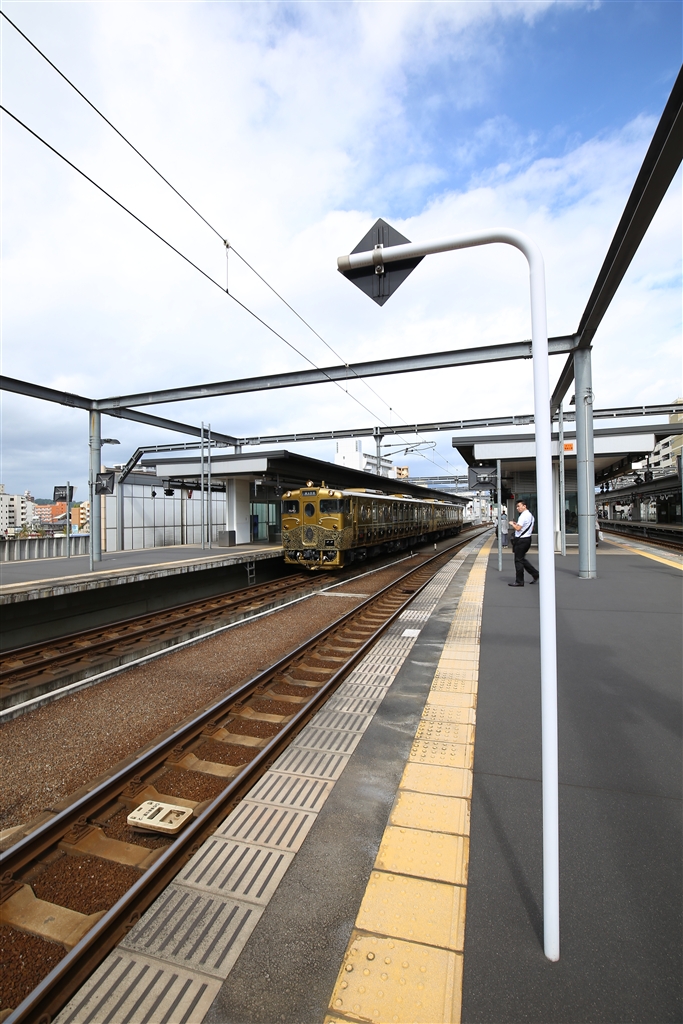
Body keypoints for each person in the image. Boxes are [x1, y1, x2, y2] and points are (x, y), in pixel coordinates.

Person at [508, 500, 539, 587]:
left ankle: (519, 581)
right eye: (517, 506)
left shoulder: (523, 516)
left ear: (524, 506)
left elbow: (518, 528)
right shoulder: (531, 516)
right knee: (521, 559)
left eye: (519, 506)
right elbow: (531, 528)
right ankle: (535, 574)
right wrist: (517, 525)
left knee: (518, 561)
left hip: (521, 540)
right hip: (527, 539)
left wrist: (512, 524)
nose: (517, 508)